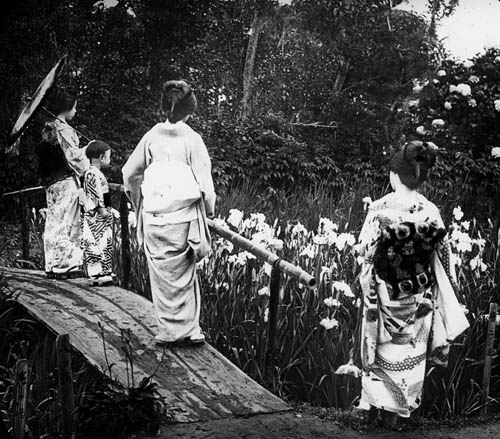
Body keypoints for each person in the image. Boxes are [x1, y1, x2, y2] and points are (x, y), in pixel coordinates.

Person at [354, 141, 469, 427]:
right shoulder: (430, 211)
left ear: (395, 175)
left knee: (377, 347)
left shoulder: (380, 208)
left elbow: (365, 250)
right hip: (417, 293)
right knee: (409, 352)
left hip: (382, 294)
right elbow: (443, 256)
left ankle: (370, 406)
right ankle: (397, 412)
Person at [122, 80, 216, 347]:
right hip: (183, 219)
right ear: (189, 111)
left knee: (161, 278)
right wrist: (209, 211)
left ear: (163, 107)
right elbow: (205, 187)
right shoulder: (192, 139)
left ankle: (167, 331)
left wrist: (137, 200)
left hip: (154, 216)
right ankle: (188, 331)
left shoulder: (150, 136)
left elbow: (129, 173)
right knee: (184, 276)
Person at [38, 89, 90, 278]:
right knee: (67, 220)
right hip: (64, 180)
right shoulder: (63, 129)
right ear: (67, 108)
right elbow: (72, 156)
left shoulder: (49, 127)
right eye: (74, 107)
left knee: (53, 219)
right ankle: (65, 265)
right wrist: (87, 160)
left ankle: (52, 264)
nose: (75, 111)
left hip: (51, 181)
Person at [81, 140, 115, 284]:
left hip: (97, 214)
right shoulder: (92, 174)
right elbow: (95, 194)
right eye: (108, 156)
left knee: (98, 243)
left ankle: (99, 273)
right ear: (101, 157)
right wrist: (102, 210)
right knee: (99, 242)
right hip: (97, 215)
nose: (109, 159)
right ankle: (100, 273)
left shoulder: (93, 173)